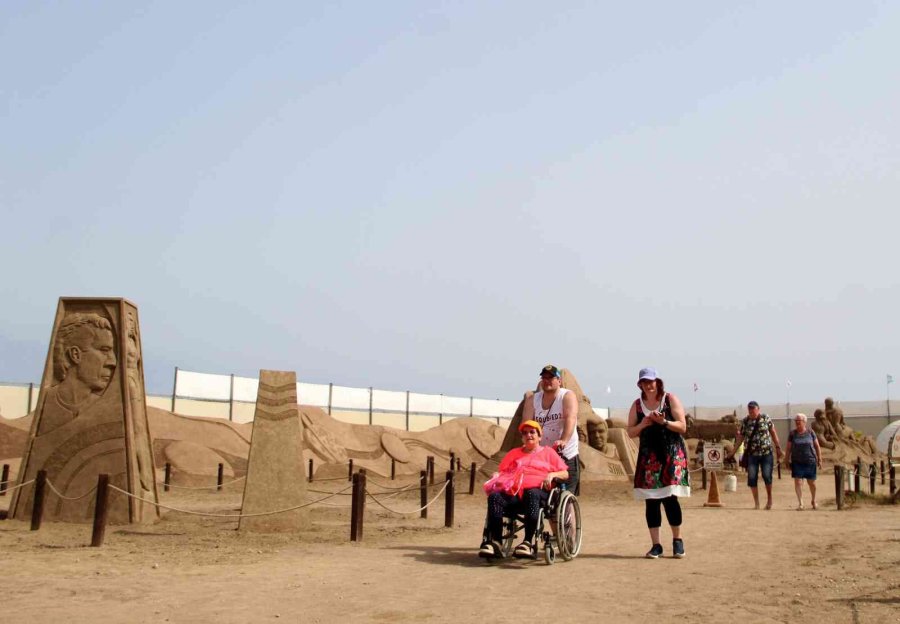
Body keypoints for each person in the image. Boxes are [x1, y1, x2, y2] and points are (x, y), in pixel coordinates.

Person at [479, 419, 569, 558]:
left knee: (531, 493)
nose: (529, 435)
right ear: (522, 437)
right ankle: (495, 541)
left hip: (538, 492)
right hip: (514, 493)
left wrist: (552, 475)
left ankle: (527, 543)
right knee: (494, 497)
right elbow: (503, 471)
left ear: (539, 436)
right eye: (525, 433)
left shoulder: (548, 453)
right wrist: (498, 475)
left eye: (532, 432)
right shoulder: (513, 453)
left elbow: (565, 473)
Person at [626, 367, 690, 559]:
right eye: (644, 382)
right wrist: (643, 424)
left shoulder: (670, 399)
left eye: (651, 381)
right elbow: (630, 432)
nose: (648, 385)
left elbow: (683, 426)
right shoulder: (637, 405)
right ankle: (656, 545)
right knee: (651, 501)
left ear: (657, 382)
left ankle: (677, 541)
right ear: (640, 385)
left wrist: (664, 422)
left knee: (670, 499)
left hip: (670, 454)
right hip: (649, 457)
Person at [38, 312, 117, 436]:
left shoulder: (106, 409)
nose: (113, 362)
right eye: (104, 350)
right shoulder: (47, 403)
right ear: (75, 355)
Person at [522, 364, 580, 493]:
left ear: (559, 381)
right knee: (537, 491)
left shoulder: (567, 396)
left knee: (567, 494)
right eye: (544, 378)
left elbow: (570, 418)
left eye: (551, 378)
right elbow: (526, 424)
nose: (547, 381)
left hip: (565, 453)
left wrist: (564, 440)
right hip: (541, 455)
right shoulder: (533, 399)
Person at [733, 401, 783, 510]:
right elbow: (740, 438)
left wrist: (778, 447)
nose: (751, 411)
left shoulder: (766, 418)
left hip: (766, 453)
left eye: (753, 409)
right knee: (752, 478)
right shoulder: (745, 422)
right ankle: (757, 503)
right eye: (749, 409)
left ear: (758, 409)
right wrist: (733, 452)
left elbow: (773, 432)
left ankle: (769, 499)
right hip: (752, 454)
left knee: (767, 476)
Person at [784, 413, 822, 510]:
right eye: (796, 421)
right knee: (798, 481)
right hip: (797, 461)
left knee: (811, 483)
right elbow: (788, 448)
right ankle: (801, 503)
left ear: (804, 422)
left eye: (799, 421)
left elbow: (817, 446)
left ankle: (813, 500)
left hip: (810, 461)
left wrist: (820, 459)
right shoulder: (792, 434)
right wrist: (786, 459)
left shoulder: (811, 432)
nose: (797, 423)